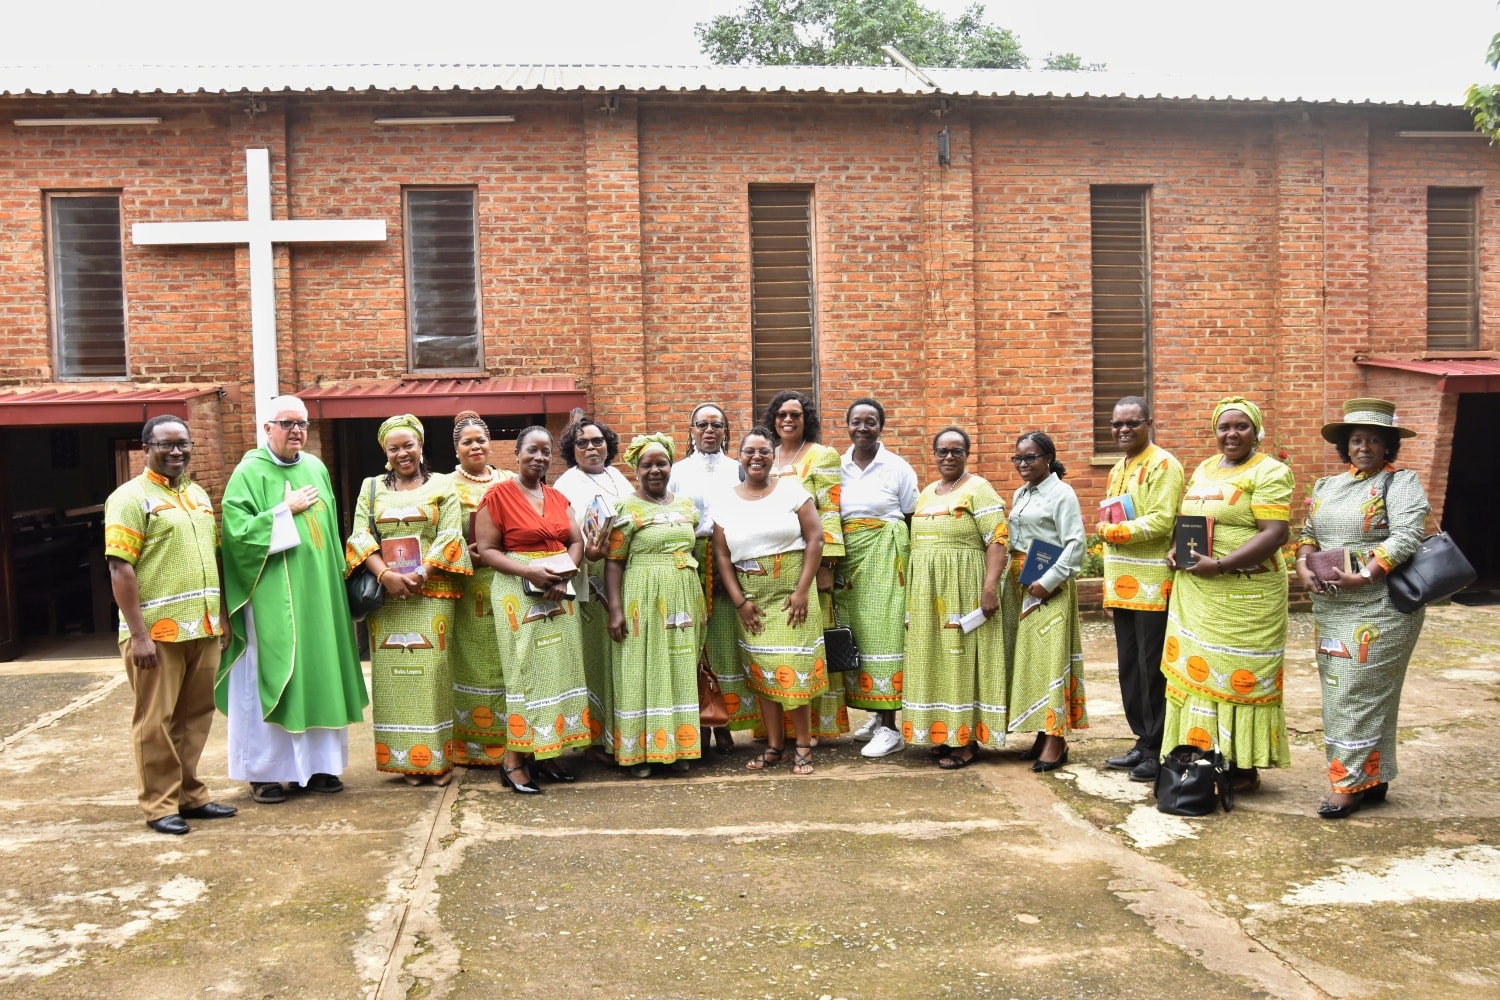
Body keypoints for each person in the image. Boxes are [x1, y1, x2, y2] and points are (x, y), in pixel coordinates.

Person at [219, 396, 368, 804]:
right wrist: (283, 511)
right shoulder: (248, 473)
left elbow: (330, 533)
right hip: (270, 596)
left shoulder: (315, 467)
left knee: (320, 671)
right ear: (267, 428)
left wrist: (341, 592)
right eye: (287, 423)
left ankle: (319, 768)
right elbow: (236, 534)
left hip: (319, 596)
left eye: (302, 423)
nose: (296, 430)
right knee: (269, 675)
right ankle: (264, 774)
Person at [1295, 398, 1429, 819]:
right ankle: (1374, 777)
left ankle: (1348, 783)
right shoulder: (1326, 486)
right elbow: (1308, 532)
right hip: (1332, 607)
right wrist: (1301, 564)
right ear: (1345, 447)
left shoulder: (1400, 483)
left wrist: (1367, 573)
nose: (1364, 447)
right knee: (1341, 691)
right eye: (1356, 440)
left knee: (1357, 693)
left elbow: (1407, 536)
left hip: (1381, 607)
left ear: (1388, 445)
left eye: (1374, 439)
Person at [105, 415, 236, 835]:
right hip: (156, 634)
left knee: (195, 716)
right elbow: (119, 568)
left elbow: (214, 559)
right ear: (146, 447)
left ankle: (190, 796)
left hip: (201, 626)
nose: (176, 451)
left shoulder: (198, 495)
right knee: (155, 720)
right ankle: (159, 805)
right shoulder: (130, 498)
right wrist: (139, 635)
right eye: (166, 444)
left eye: (183, 444)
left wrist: (223, 617)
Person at [1162, 396, 1294, 793]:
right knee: (1197, 670)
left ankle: (1242, 766)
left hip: (1246, 595)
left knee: (1239, 673)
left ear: (1256, 432)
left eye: (1241, 427)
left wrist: (1220, 565)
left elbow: (1276, 533)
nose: (1231, 434)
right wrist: (1176, 548)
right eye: (1224, 427)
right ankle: (1204, 755)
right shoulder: (1204, 468)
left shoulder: (1271, 472)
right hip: (1197, 592)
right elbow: (1190, 521)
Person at [345, 414, 470, 786]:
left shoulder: (445, 484)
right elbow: (359, 536)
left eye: (409, 445)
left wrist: (423, 573)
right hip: (388, 598)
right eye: (394, 448)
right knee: (394, 678)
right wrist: (386, 575)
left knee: (432, 676)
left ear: (420, 446)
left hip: (431, 594)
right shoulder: (371, 488)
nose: (403, 453)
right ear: (385, 452)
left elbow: (451, 535)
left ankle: (436, 759)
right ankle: (406, 761)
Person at [474, 426, 591, 794]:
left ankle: (546, 751)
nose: (539, 458)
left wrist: (563, 574)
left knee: (557, 670)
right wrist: (530, 571)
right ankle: (512, 761)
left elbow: (576, 540)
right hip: (517, 590)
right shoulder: (497, 495)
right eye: (532, 451)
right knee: (524, 671)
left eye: (546, 452)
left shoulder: (557, 497)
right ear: (517, 454)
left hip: (558, 590)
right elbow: (488, 550)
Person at [712, 427, 826, 775]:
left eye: (764, 451)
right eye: (750, 451)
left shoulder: (793, 492)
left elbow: (816, 539)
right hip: (753, 598)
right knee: (763, 672)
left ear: (773, 456)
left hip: (793, 596)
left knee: (793, 668)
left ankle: (803, 744)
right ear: (740, 456)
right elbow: (721, 554)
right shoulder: (725, 499)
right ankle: (775, 746)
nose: (757, 457)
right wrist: (739, 601)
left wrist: (803, 590)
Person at [903, 427, 1009, 769]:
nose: (949, 457)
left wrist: (989, 587)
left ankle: (967, 741)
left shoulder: (979, 489)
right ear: (933, 455)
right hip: (927, 592)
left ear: (967, 454)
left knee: (961, 658)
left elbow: (997, 538)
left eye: (956, 451)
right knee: (933, 657)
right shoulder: (927, 492)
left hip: (964, 587)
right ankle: (944, 731)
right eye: (942, 451)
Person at [605, 434, 706, 777]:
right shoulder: (625, 508)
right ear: (635, 469)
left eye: (661, 463)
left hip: (684, 593)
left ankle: (677, 747)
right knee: (642, 668)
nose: (655, 470)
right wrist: (615, 610)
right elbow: (614, 561)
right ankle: (639, 753)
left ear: (671, 465)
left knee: (679, 667)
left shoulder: (686, 506)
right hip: (642, 595)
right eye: (647, 465)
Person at [1096, 397, 1184, 783]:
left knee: (1152, 668)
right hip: (1122, 585)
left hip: (1152, 586)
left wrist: (1111, 532)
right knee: (1129, 667)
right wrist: (1107, 587)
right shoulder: (1118, 467)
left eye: (1131, 423)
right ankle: (1141, 739)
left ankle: (1157, 747)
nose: (1123, 430)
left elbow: (1163, 521)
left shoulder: (1165, 464)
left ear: (1149, 422)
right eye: (1117, 424)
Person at [762, 390, 848, 742]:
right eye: (781, 414)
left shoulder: (822, 456)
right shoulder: (766, 454)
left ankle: (812, 727)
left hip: (808, 563)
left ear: (805, 419)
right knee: (774, 642)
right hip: (770, 566)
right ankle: (776, 728)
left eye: (795, 414)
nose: (788, 420)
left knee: (805, 642)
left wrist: (826, 565)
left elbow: (829, 509)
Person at [667, 402, 752, 749]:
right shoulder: (677, 471)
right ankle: (701, 720)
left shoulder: (738, 469)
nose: (709, 431)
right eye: (702, 425)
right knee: (695, 637)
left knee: (724, 638)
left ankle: (726, 721)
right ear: (691, 431)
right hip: (689, 556)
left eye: (716, 425)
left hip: (729, 557)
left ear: (725, 432)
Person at [1004, 432, 1088, 772]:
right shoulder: (1020, 493)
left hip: (1049, 588)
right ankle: (1041, 733)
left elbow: (1075, 544)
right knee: (1032, 662)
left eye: (1031, 457)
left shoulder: (1062, 494)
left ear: (1048, 458)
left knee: (1052, 660)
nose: (1024, 464)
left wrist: (1049, 581)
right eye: (1018, 458)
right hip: (1022, 585)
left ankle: (1056, 739)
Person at [838, 398, 918, 759]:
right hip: (850, 562)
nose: (863, 428)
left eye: (871, 422)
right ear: (848, 426)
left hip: (886, 558)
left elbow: (911, 516)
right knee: (861, 636)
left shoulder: (897, 467)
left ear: (881, 427)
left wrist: (911, 567)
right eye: (857, 421)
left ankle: (890, 727)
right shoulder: (836, 466)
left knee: (885, 635)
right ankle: (875, 715)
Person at [553, 415, 631, 762]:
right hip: (589, 572)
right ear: (572, 450)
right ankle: (597, 738)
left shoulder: (618, 476)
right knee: (596, 655)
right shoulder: (565, 484)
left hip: (624, 571)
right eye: (582, 443)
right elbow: (560, 536)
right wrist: (587, 553)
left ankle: (623, 730)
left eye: (597, 441)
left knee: (622, 654)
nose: (591, 447)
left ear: (608, 445)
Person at [447, 411, 514, 768]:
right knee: (472, 661)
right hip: (468, 585)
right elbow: (441, 534)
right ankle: (471, 747)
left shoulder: (510, 480)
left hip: (507, 583)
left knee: (510, 660)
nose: (475, 446)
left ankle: (513, 741)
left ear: (491, 444)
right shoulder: (445, 486)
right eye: (467, 441)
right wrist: (464, 554)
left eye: (481, 440)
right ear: (456, 448)